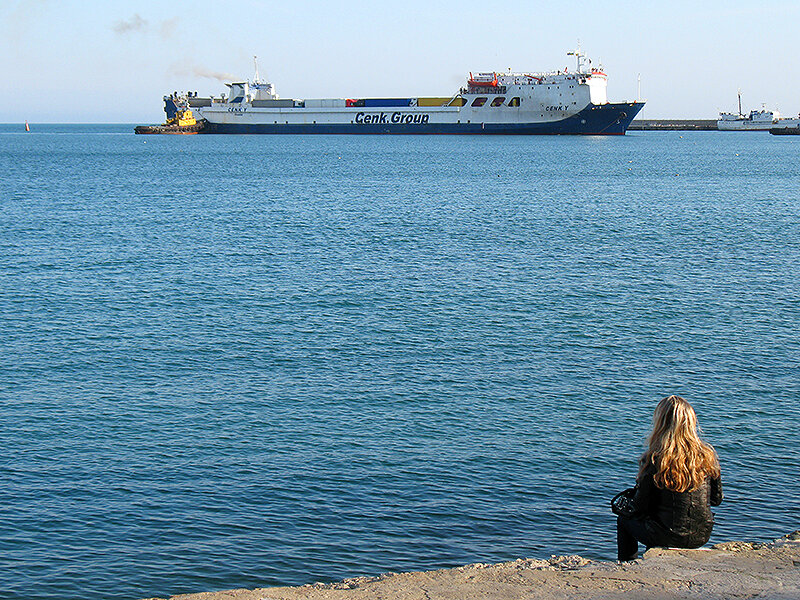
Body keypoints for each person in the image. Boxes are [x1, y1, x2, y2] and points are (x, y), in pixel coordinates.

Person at [617, 395, 723, 561]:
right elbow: (716, 500)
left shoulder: (655, 459)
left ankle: (628, 566)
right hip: (701, 535)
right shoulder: (707, 456)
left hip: (667, 535)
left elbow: (641, 506)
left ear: (661, 424)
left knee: (624, 521)